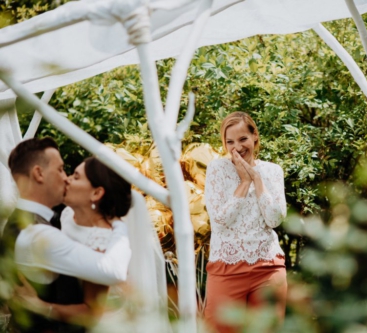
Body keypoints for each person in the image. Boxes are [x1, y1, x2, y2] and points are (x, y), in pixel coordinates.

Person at [14, 156, 167, 331]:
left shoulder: (102, 242)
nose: (66, 179)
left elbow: (92, 313)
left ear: (96, 193)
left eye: (76, 177)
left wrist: (40, 306)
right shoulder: (68, 214)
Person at [3, 137, 131, 332]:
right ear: (38, 173)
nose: (66, 178)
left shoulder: (38, 220)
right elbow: (114, 271)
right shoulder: (36, 234)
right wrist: (119, 225)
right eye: (61, 169)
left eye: (74, 175)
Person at [203, 112, 287, 333]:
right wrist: (244, 182)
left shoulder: (272, 171)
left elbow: (275, 219)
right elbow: (220, 221)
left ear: (255, 137)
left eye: (242, 139)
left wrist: (257, 179)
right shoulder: (217, 169)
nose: (236, 147)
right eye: (229, 142)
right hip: (226, 268)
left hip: (268, 269)